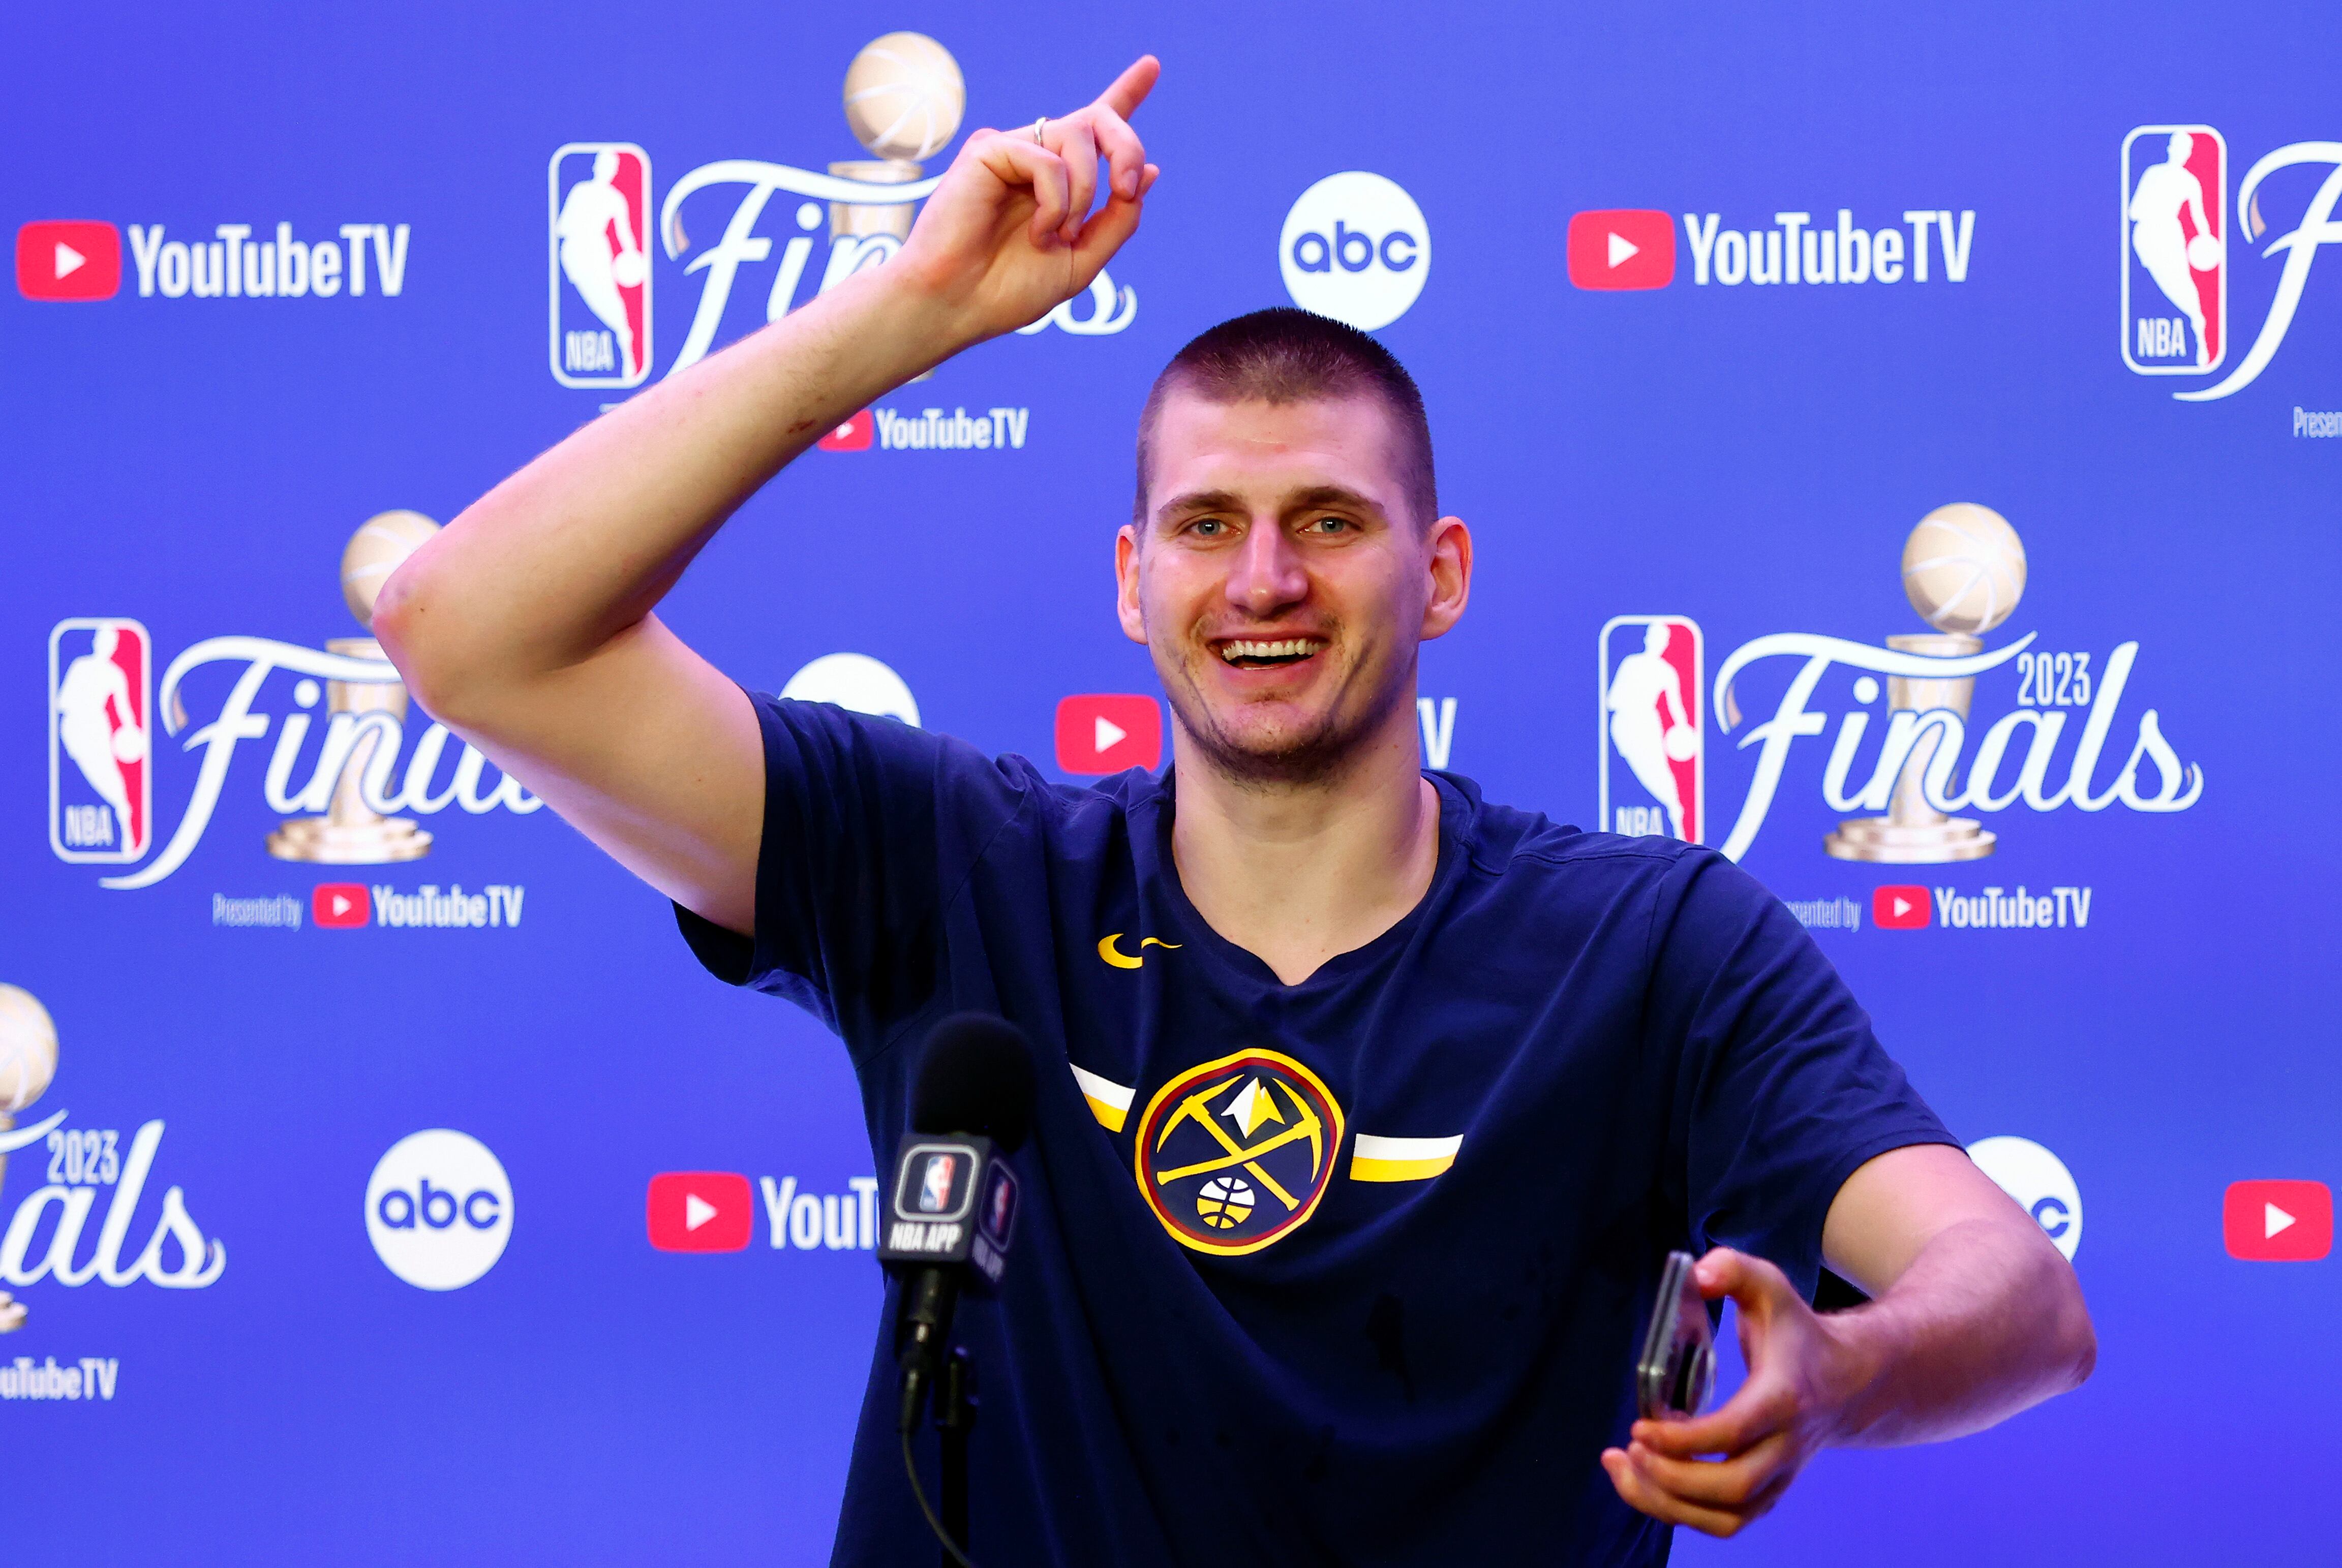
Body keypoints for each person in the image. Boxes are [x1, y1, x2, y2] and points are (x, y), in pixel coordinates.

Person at [376, 56, 2095, 1564]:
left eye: (1329, 521)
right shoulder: (955, 865)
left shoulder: (1643, 946)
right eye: (1203, 525)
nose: (1260, 577)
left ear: (1442, 575)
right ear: (1130, 581)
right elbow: (468, 630)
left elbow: (2017, 1297)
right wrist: (900, 321)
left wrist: (1842, 1371)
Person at [557, 147, 648, 381]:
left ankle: (627, 351)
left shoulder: (616, 199)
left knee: (612, 305)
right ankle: (624, 339)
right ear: (595, 167)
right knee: (593, 302)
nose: (606, 170)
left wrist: (632, 255)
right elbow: (562, 227)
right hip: (575, 253)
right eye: (603, 165)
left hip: (598, 252)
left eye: (611, 167)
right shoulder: (580, 191)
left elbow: (625, 233)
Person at [2129, 130, 2214, 366]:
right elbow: (2133, 211)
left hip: (2170, 235)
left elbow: (2199, 217)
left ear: (2189, 154)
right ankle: (2194, 320)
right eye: (2177, 147)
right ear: (2170, 149)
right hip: (2147, 236)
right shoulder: (2153, 173)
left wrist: (2207, 241)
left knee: (2184, 283)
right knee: (2165, 283)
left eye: (2186, 149)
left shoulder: (2190, 181)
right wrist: (2152, 209)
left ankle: (2200, 334)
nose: (2181, 153)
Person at [1606, 622, 1696, 840]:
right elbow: (1611, 701)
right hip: (1626, 725)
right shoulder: (1631, 664)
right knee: (1644, 773)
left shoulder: (1667, 672)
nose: (1659, 643)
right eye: (1655, 638)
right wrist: (1633, 698)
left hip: (1649, 725)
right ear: (1647, 639)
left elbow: (1676, 707)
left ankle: (1680, 829)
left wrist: (1683, 729)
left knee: (1662, 776)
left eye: (1663, 640)